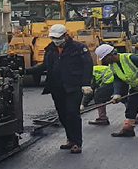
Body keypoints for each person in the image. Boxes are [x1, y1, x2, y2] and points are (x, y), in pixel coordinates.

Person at [26, 24, 93, 154]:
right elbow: (45, 65)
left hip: (73, 86)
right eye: (53, 37)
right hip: (57, 87)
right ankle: (70, 139)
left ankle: (77, 142)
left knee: (72, 113)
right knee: (63, 114)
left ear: (65, 35)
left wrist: (86, 84)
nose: (55, 40)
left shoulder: (79, 48)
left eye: (58, 37)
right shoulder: (50, 49)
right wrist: (26, 71)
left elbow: (87, 66)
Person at [95, 44, 138, 138]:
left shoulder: (131, 58)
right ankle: (128, 129)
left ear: (111, 54)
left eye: (104, 58)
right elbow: (117, 79)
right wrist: (116, 93)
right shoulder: (113, 65)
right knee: (131, 108)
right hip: (136, 87)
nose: (103, 61)